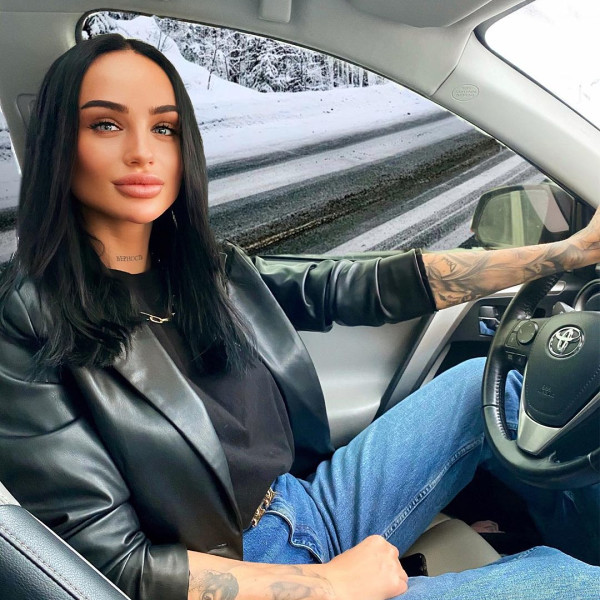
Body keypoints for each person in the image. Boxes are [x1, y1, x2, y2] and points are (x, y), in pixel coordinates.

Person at [0, 34, 598, 600]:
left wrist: (569, 253)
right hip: (232, 572)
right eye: (106, 124)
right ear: (59, 143)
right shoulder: (27, 321)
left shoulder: (208, 271)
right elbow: (107, 566)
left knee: (485, 387)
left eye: (164, 128)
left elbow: (367, 284)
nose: (142, 151)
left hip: (304, 505)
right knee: (566, 582)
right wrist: (331, 585)